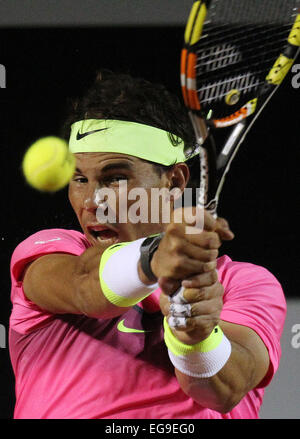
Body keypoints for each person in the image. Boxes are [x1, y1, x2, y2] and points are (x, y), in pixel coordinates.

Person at [9, 71, 286, 419]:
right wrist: (155, 257)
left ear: (174, 180)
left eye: (115, 178)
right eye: (80, 179)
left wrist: (194, 335)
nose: (93, 201)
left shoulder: (246, 283)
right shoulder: (51, 253)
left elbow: (226, 389)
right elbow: (85, 284)